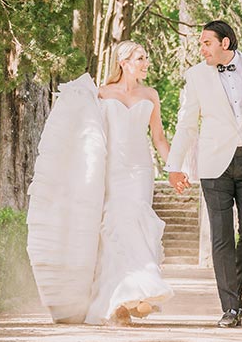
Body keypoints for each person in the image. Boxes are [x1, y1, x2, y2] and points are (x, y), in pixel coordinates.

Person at [26, 41, 174, 326]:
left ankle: (136, 290)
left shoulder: (151, 95)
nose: (146, 63)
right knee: (115, 226)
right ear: (124, 61)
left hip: (141, 170)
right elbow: (83, 129)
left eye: (146, 58)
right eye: (140, 58)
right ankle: (120, 300)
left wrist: (173, 169)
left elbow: (158, 138)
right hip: (113, 170)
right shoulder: (101, 94)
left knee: (137, 221)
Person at [166, 21, 242, 328]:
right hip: (214, 164)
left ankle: (234, 290)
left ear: (226, 43)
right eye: (201, 44)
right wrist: (174, 165)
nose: (202, 49)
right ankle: (230, 308)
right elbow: (187, 124)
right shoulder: (195, 77)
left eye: (207, 43)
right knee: (221, 237)